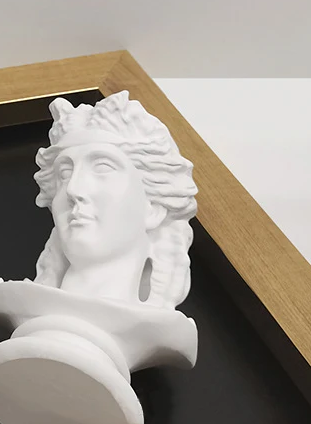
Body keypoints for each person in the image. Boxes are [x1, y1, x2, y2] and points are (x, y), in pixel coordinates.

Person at [33, 91, 197, 309]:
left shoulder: (157, 327)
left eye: (103, 167)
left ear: (153, 208)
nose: (72, 188)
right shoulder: (12, 303)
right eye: (64, 173)